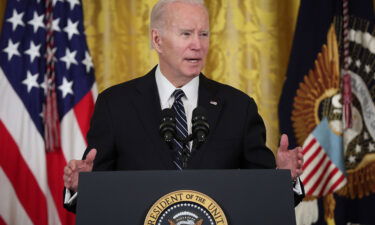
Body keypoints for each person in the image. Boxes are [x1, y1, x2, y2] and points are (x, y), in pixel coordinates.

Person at [63, 0, 304, 212]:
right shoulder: (115, 104)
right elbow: (99, 200)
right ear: (157, 40)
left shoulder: (238, 107)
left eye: (204, 34)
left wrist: (283, 178)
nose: (197, 45)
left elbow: (263, 195)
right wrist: (82, 187)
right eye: (186, 34)